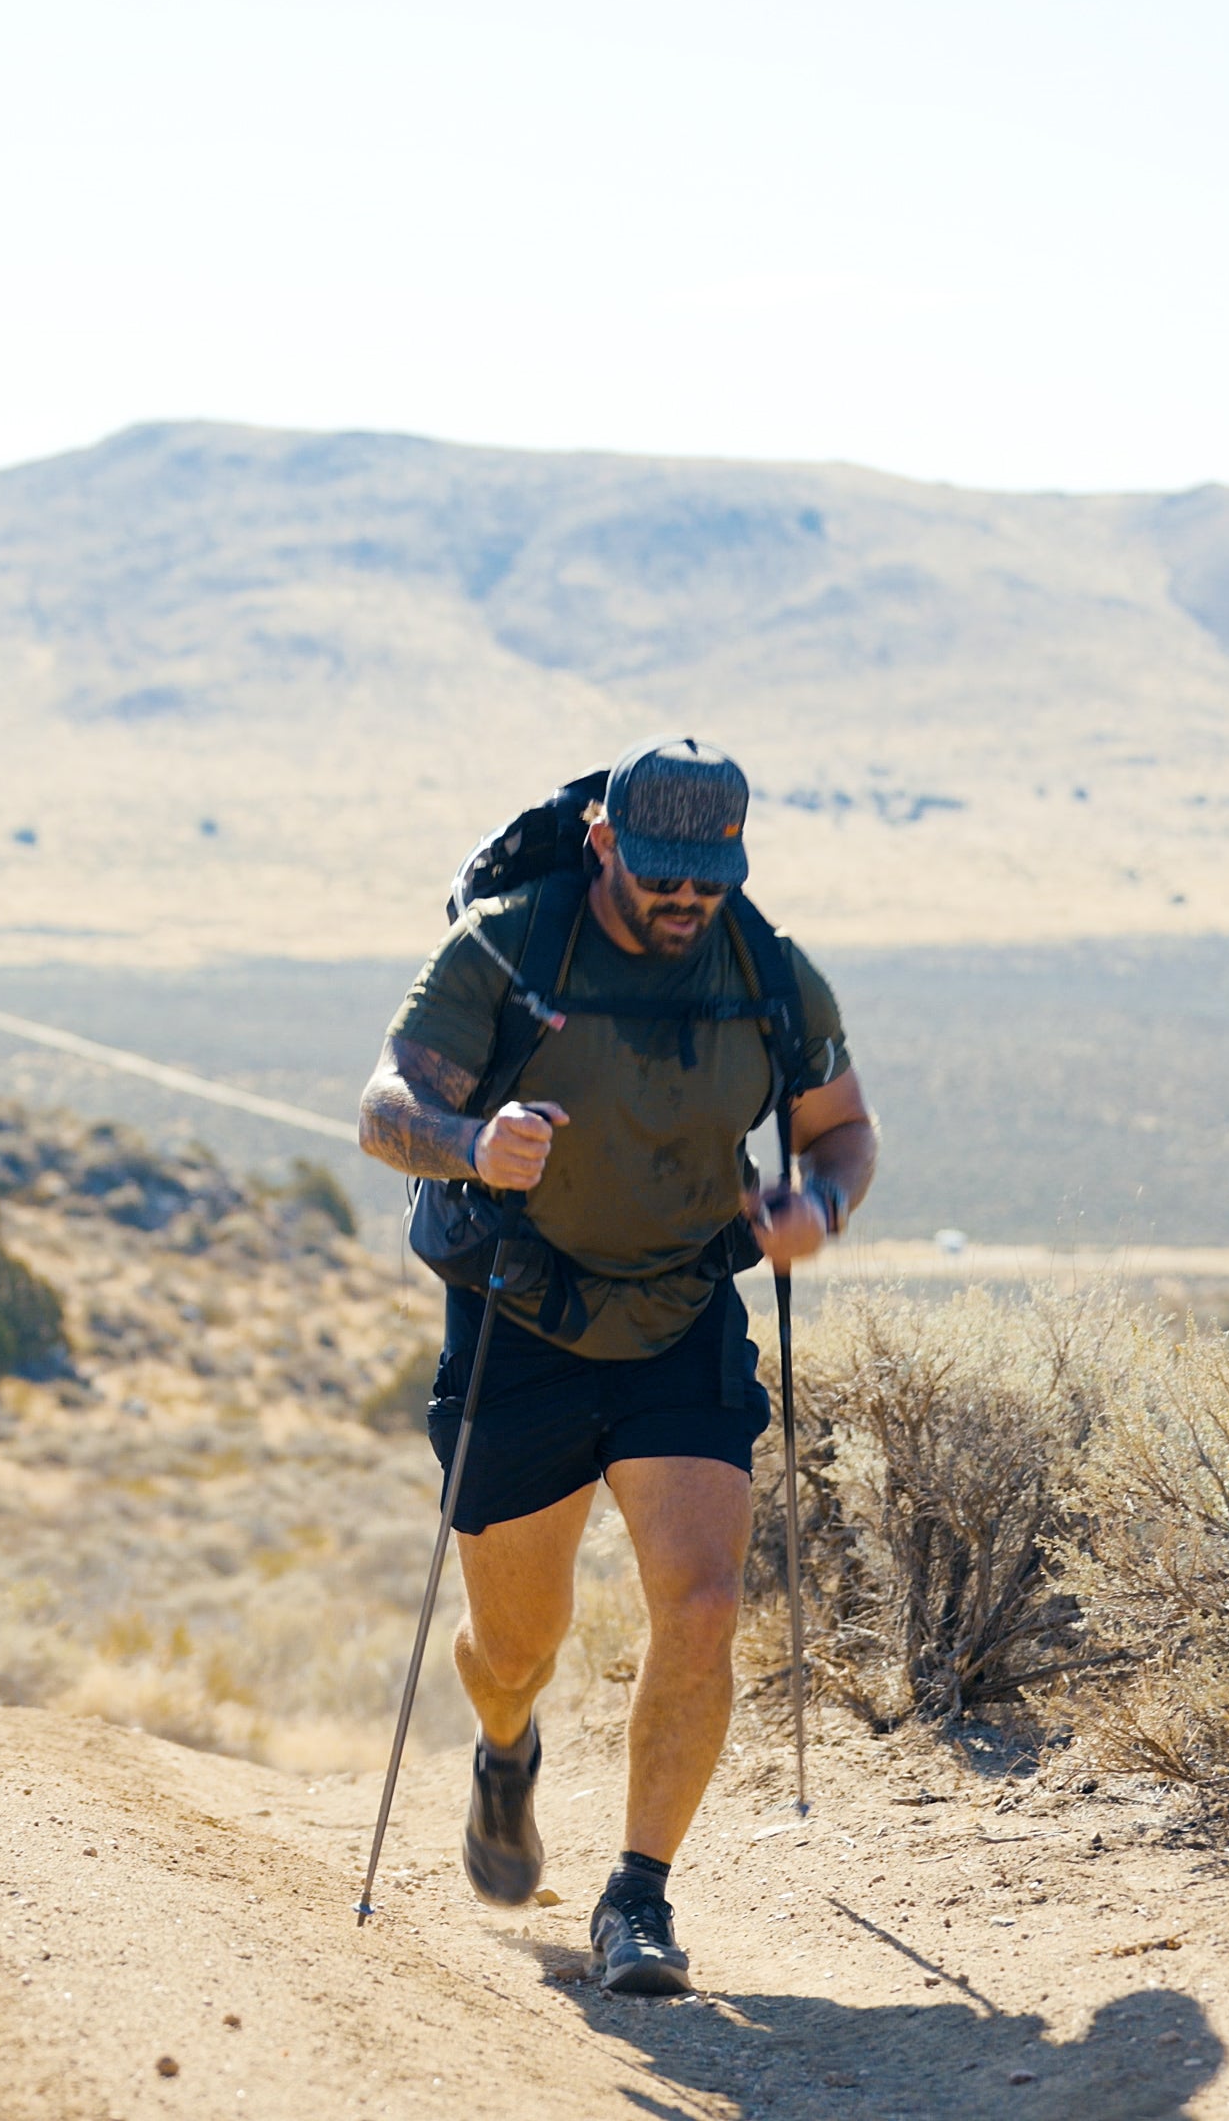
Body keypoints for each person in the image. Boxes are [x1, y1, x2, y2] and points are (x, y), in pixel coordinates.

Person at [356, 735, 874, 1996]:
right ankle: (503, 1745)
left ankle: (636, 1899)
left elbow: (842, 1130)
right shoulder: (505, 949)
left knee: (701, 1604)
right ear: (603, 847)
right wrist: (474, 1141)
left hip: (681, 1315)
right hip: (522, 1320)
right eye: (660, 877)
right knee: (515, 1643)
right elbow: (384, 1112)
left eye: (711, 875)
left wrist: (821, 1202)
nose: (687, 900)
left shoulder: (768, 973)